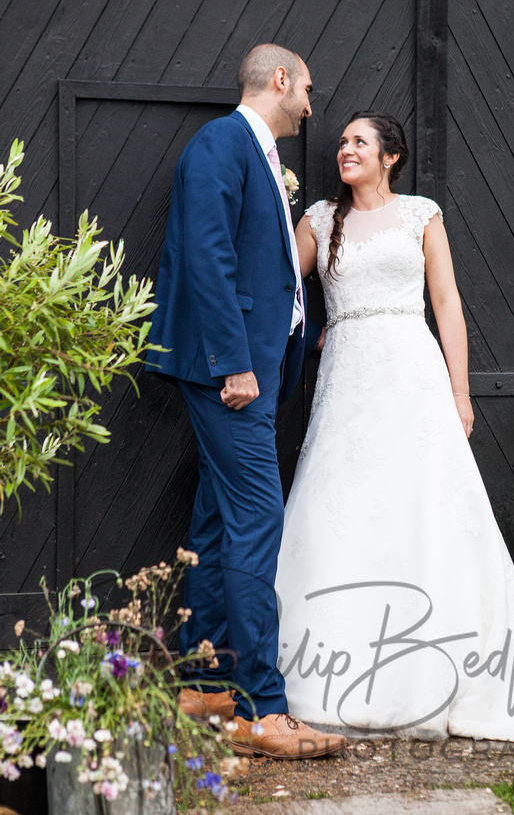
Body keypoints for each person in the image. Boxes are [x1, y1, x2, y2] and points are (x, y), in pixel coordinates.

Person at [275, 110, 514, 741]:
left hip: (412, 377)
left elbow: (446, 302)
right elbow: (283, 285)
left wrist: (459, 389)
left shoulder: (421, 214)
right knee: (344, 508)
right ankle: (338, 671)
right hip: (348, 385)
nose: (344, 150)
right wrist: (315, 330)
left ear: (391, 155)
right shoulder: (319, 220)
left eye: (358, 142)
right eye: (341, 143)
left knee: (426, 510)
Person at [146, 44, 347, 759]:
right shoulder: (221, 143)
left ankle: (203, 682)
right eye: (309, 91)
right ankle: (265, 709)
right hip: (230, 374)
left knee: (216, 518)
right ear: (282, 79)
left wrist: (307, 330)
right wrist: (234, 362)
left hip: (256, 366)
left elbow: (263, 268)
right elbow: (207, 256)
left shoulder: (256, 153)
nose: (312, 107)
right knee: (259, 520)